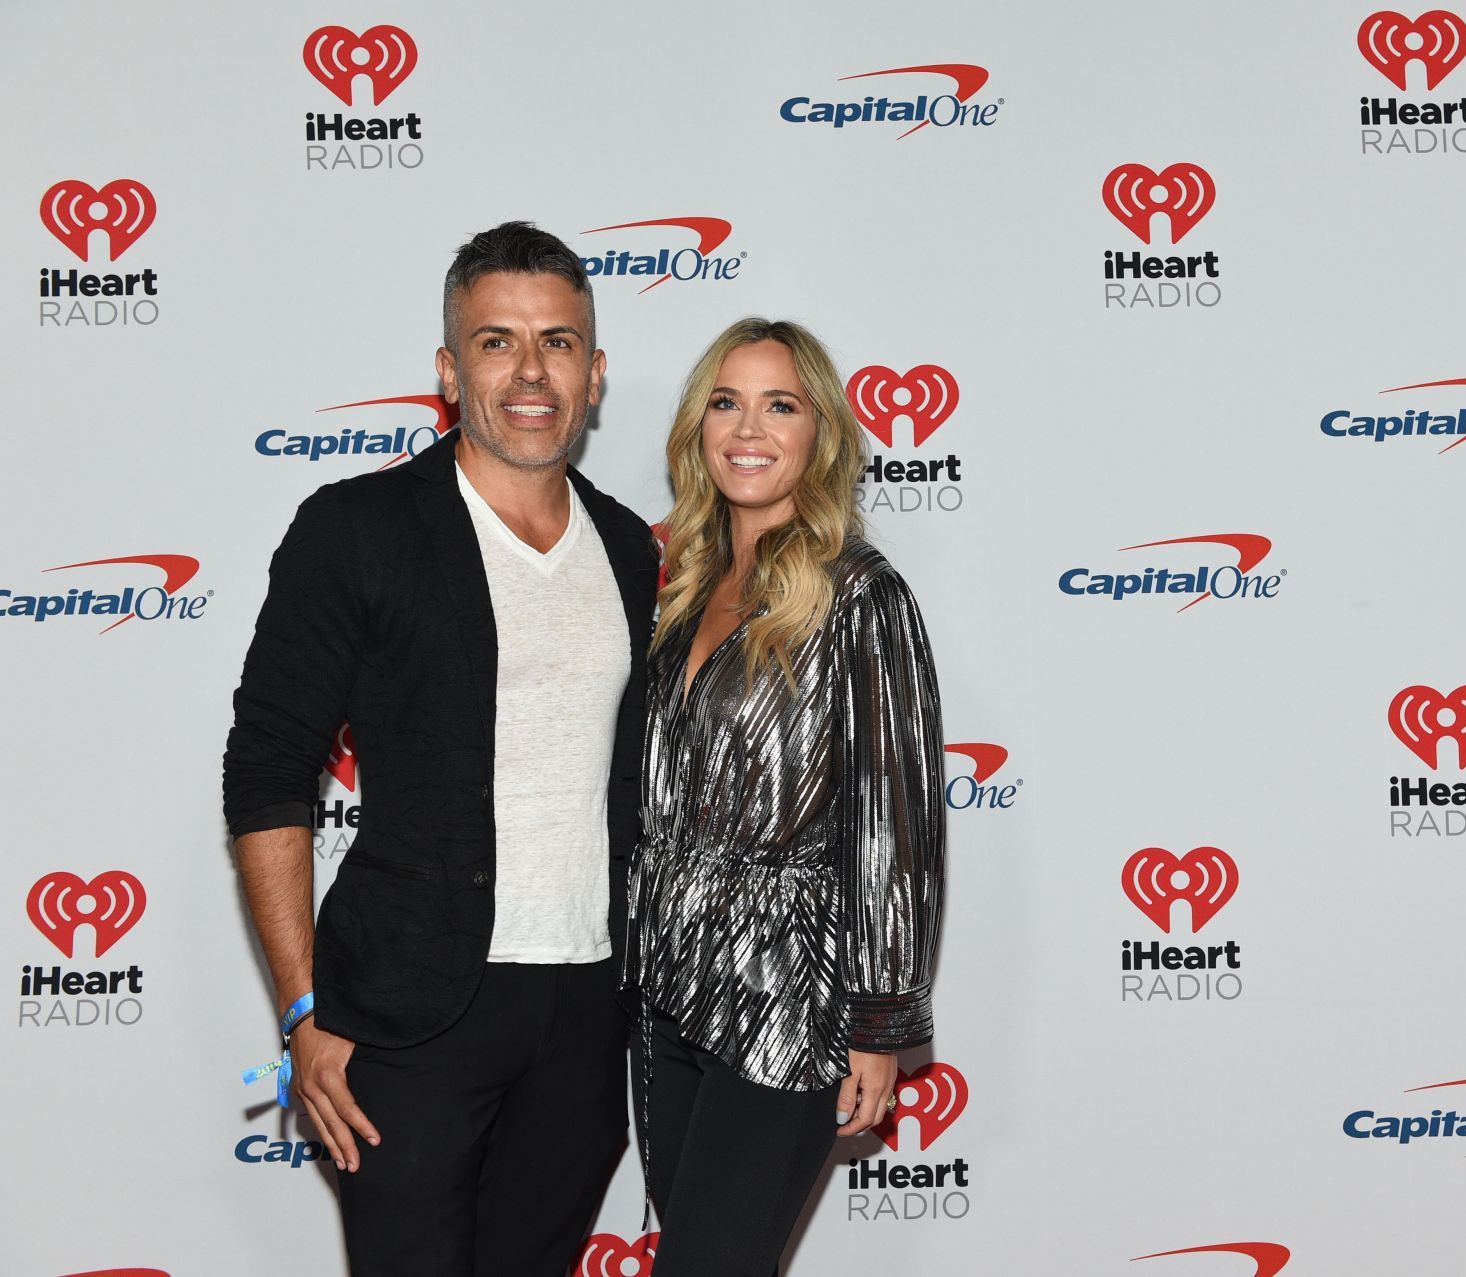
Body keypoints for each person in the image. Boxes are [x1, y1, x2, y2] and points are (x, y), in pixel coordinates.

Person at [223, 221, 657, 1276]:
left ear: (595, 375)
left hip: (589, 1013)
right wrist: (301, 1002)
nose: (530, 369)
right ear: (448, 368)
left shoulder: (634, 548)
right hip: (409, 1011)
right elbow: (269, 770)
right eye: (497, 339)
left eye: (558, 341)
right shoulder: (357, 529)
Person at [622, 318, 946, 1275]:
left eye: (780, 404)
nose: (748, 428)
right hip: (664, 986)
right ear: (697, 428)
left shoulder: (861, 596)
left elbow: (898, 821)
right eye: (726, 401)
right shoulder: (677, 587)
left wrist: (878, 1025)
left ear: (820, 435)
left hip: (790, 992)